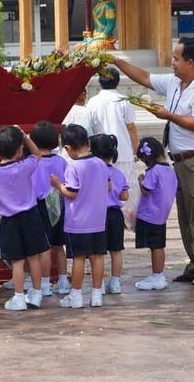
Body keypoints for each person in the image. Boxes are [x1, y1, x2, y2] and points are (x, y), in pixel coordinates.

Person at [114, 37, 194, 286]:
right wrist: (117, 61)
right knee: (185, 216)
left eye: (176, 58)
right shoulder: (175, 83)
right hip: (181, 160)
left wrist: (168, 115)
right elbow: (145, 78)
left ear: (191, 62)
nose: (172, 63)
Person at [0, 125, 49, 311]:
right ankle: (36, 293)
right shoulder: (25, 166)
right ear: (19, 150)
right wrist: (26, 137)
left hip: (9, 220)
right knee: (34, 257)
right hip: (31, 216)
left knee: (17, 260)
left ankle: (18, 297)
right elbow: (37, 155)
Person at [51, 124, 109, 309]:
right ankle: (97, 294)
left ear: (68, 148)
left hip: (78, 222)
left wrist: (58, 185)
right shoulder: (101, 163)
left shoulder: (73, 167)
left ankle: (75, 295)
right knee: (97, 256)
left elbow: (71, 193)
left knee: (79, 258)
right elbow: (109, 187)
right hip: (98, 220)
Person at [86, 67, 140, 221]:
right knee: (124, 190)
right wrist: (135, 150)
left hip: (99, 153)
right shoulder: (123, 101)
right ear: (117, 81)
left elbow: (89, 128)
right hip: (122, 151)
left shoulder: (92, 102)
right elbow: (131, 127)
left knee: (102, 188)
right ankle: (123, 222)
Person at [133, 138, 178, 291]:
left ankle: (157, 276)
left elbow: (147, 189)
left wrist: (140, 179)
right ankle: (158, 274)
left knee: (155, 247)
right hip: (162, 215)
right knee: (159, 245)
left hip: (149, 215)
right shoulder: (169, 170)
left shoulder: (153, 171)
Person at [31, 121, 70, 295]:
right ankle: (63, 281)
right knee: (58, 245)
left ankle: (45, 284)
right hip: (59, 204)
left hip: (40, 206)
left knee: (44, 248)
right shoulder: (61, 161)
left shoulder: (33, 163)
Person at [90, 134, 128, 295]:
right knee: (116, 250)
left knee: (98, 252)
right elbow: (124, 196)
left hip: (98, 214)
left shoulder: (93, 172)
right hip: (115, 214)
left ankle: (100, 284)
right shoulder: (118, 173)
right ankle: (116, 282)